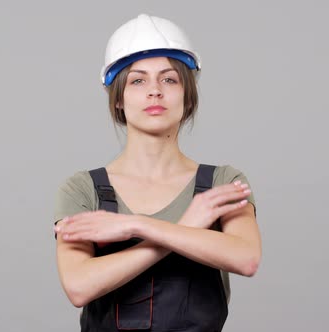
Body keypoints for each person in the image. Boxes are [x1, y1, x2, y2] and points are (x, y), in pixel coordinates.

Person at [53, 13, 262, 332]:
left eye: (169, 79)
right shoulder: (83, 189)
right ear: (118, 98)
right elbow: (79, 287)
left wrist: (135, 225)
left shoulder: (222, 183)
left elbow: (246, 258)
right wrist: (183, 228)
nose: (155, 91)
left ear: (186, 94)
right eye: (138, 80)